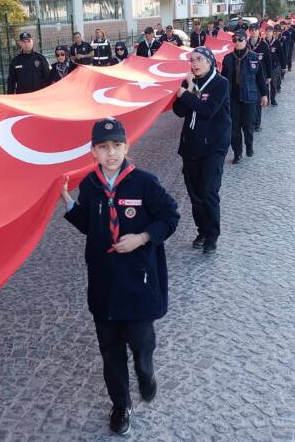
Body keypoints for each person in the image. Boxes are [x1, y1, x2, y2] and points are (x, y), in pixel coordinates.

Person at [60, 117, 179, 435]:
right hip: (104, 283)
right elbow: (90, 225)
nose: (110, 153)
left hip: (138, 281)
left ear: (126, 146)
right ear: (93, 151)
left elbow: (170, 217)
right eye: (103, 147)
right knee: (110, 349)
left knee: (140, 342)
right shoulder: (90, 185)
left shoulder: (145, 183)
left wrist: (141, 238)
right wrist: (70, 206)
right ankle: (120, 405)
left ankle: (145, 370)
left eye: (116, 146)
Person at [171, 47, 229, 254]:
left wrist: (186, 94)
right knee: (195, 194)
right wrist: (187, 90)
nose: (194, 64)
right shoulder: (189, 83)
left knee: (208, 191)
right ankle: (202, 231)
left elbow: (207, 111)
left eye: (199, 59)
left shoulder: (221, 83)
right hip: (191, 145)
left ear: (210, 62)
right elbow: (179, 111)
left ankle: (212, 236)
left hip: (214, 145)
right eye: (191, 60)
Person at [221, 33, 268, 164]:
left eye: (240, 39)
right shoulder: (228, 59)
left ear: (245, 40)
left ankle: (249, 145)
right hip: (233, 98)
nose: (237, 42)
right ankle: (237, 153)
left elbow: (260, 78)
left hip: (250, 97)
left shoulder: (253, 57)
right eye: (234, 40)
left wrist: (264, 94)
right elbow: (223, 80)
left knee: (248, 125)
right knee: (234, 128)